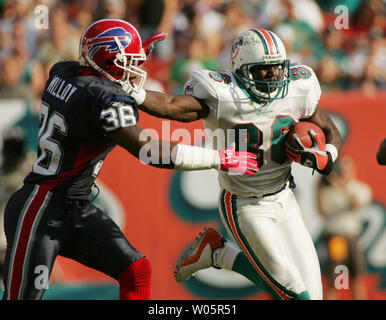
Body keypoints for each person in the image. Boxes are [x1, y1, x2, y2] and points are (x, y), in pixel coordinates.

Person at [1, 19, 259, 300]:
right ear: (110, 60)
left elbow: (94, 92)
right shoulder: (104, 99)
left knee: (136, 271)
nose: (137, 68)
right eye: (131, 60)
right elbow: (148, 150)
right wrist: (217, 157)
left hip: (74, 206)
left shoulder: (63, 71)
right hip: (40, 207)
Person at [130, 28, 342, 300]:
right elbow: (171, 105)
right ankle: (222, 254)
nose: (272, 77)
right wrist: (135, 93)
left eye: (277, 69)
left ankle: (219, 253)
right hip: (245, 204)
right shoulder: (224, 95)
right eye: (262, 70)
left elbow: (328, 127)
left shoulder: (297, 89)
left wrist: (329, 154)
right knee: (296, 296)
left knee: (314, 296)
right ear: (241, 71)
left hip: (285, 199)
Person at [316, 155, 371, 299]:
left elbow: (358, 203)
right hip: (337, 238)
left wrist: (342, 186)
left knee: (357, 278)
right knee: (335, 279)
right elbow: (321, 210)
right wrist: (320, 186)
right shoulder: (328, 189)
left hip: (353, 237)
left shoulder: (359, 188)